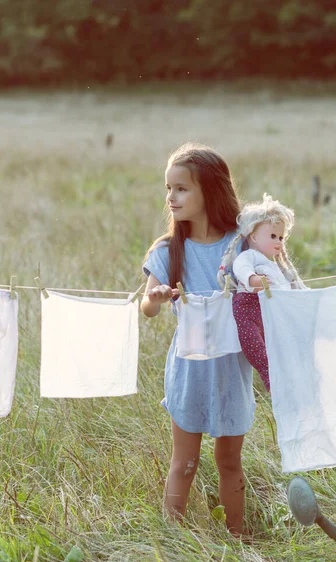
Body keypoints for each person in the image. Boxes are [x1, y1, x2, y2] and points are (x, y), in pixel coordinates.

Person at [141, 142, 255, 536]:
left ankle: (236, 539)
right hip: (188, 371)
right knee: (184, 462)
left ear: (210, 191)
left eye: (182, 189)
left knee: (229, 462)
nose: (171, 197)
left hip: (231, 369)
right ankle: (172, 539)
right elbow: (148, 307)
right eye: (168, 189)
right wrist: (154, 298)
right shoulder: (169, 250)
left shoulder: (240, 246)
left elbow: (265, 286)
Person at [218, 194, 305, 391]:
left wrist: (307, 295)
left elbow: (289, 285)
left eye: (281, 237)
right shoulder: (250, 256)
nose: (278, 241)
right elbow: (241, 266)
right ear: (254, 236)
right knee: (255, 345)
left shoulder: (276, 267)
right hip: (248, 309)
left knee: (278, 348)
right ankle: (270, 378)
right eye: (273, 236)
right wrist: (252, 279)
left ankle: (285, 375)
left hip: (270, 314)